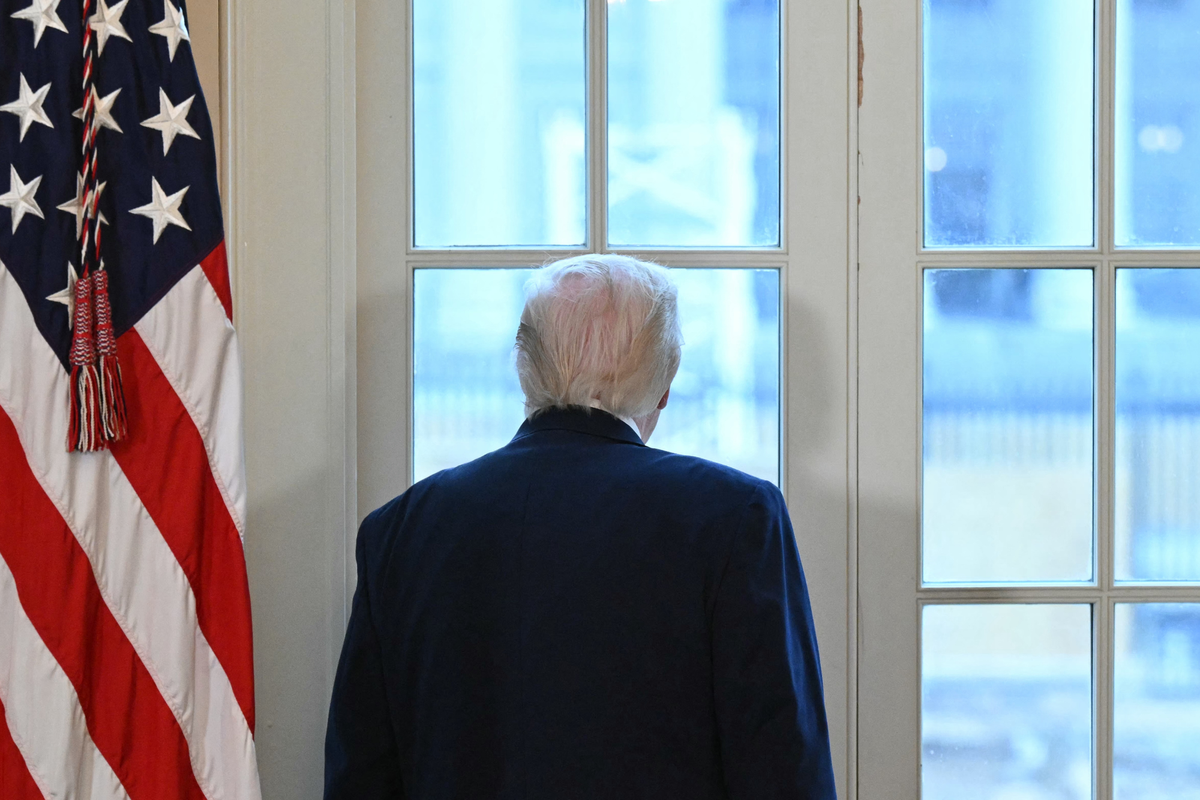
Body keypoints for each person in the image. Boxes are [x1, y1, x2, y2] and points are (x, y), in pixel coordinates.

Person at [324, 254, 837, 799]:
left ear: (524, 367)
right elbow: (784, 772)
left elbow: (361, 781)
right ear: (664, 384)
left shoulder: (399, 534)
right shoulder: (737, 519)